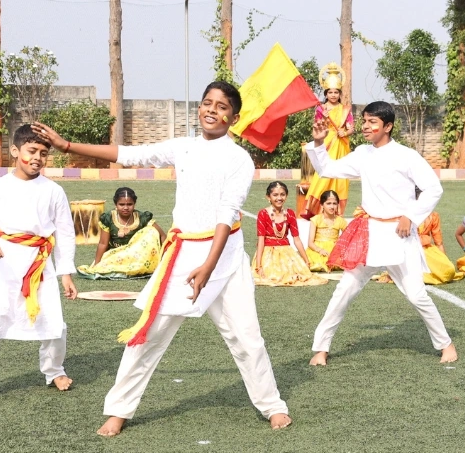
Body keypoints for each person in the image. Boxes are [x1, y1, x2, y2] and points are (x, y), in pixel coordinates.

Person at [30, 82, 292, 435]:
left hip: (224, 259)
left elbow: (226, 214)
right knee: (148, 336)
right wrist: (67, 146)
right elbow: (130, 154)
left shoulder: (239, 159)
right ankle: (119, 410)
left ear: (235, 116)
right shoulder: (183, 147)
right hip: (183, 257)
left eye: (221, 106)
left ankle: (272, 405)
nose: (212, 110)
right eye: (206, 103)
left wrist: (208, 267)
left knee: (246, 338)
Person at [305, 100, 457, 366]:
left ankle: (445, 344)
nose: (365, 126)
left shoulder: (406, 155)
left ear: (388, 126)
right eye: (364, 121)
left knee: (416, 294)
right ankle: (321, 348)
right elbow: (328, 169)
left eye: (372, 122)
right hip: (369, 234)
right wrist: (319, 143)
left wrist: (410, 216)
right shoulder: (363, 153)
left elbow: (434, 189)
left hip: (400, 235)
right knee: (345, 289)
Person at [0, 124, 78, 401]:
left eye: (44, 153)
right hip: (1, 265)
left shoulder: (53, 191)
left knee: (53, 323)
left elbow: (64, 233)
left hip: (39, 264)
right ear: (15, 151)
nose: (37, 157)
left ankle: (54, 370)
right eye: (32, 151)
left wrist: (66, 273)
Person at [76, 187, 165, 279]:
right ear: (116, 204)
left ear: (134, 204)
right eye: (121, 204)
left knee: (151, 231)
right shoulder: (108, 218)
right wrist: (96, 264)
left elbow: (162, 235)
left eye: (129, 204)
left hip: (136, 256)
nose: (126, 208)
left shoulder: (142, 217)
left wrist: (164, 258)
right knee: (107, 266)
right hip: (115, 256)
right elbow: (103, 243)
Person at [302, 64, 353, 217]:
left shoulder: (345, 110)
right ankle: (314, 208)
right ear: (326, 93)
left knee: (340, 177)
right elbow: (316, 128)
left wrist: (344, 132)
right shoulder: (320, 109)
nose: (333, 95)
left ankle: (337, 211)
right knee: (322, 174)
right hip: (326, 143)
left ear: (339, 93)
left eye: (336, 92)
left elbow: (351, 128)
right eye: (330, 92)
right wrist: (323, 117)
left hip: (341, 145)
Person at [254, 181, 326, 286]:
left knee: (298, 275)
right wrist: (258, 266)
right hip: (268, 254)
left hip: (286, 252)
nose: (279, 198)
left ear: (286, 196)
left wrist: (306, 261)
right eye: (275, 195)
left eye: (282, 194)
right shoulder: (263, 214)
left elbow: (296, 239)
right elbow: (261, 240)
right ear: (268, 197)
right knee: (274, 276)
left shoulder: (290, 213)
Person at [306, 190, 348, 273]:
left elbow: (348, 238)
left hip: (335, 250)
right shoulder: (316, 220)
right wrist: (320, 250)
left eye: (334, 203)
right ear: (322, 205)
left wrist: (339, 247)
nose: (332, 207)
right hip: (317, 249)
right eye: (328, 203)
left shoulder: (340, 221)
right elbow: (310, 243)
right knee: (316, 262)